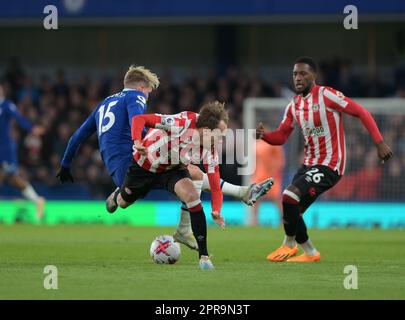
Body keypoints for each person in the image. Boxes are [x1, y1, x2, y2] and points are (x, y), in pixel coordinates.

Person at [57, 66, 272, 251]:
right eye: (149, 90)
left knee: (190, 174)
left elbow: (78, 136)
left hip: (115, 165)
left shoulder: (103, 104)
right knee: (192, 171)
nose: (148, 95)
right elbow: (137, 119)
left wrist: (66, 164)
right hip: (136, 158)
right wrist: (141, 143)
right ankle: (238, 194)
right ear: (141, 87)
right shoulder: (136, 96)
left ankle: (232, 199)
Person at [256, 56, 393, 262]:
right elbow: (282, 136)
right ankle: (310, 253)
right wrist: (265, 135)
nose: (298, 78)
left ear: (314, 76)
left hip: (330, 164)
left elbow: (361, 112)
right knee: (292, 209)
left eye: (303, 73)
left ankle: (289, 244)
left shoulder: (328, 95)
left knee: (289, 196)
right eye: (295, 74)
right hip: (309, 165)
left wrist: (379, 142)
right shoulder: (293, 106)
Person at [0, 83, 46, 219]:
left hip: (5, 149)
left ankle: (37, 201)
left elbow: (18, 118)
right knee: (13, 180)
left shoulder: (6, 105)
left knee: (11, 178)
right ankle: (37, 200)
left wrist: (32, 129)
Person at [251, 139, 285, 226]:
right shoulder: (256, 144)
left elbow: (280, 160)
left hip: (271, 175)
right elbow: (254, 160)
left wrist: (275, 170)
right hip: (259, 174)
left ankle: (283, 220)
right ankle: (255, 221)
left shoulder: (274, 143)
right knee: (255, 198)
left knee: (276, 199)